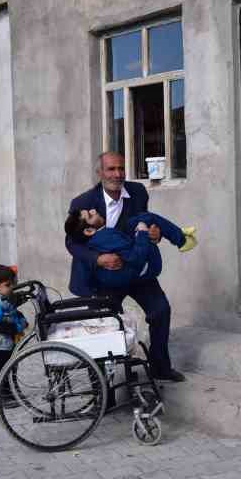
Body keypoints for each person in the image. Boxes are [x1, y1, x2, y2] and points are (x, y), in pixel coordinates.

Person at [66, 151, 186, 382]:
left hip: (135, 267)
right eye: (111, 169)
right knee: (102, 327)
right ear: (100, 172)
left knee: (160, 311)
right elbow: (72, 242)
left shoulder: (138, 192)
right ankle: (100, 386)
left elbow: (144, 224)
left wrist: (155, 234)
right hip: (104, 275)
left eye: (121, 168)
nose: (117, 174)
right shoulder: (83, 203)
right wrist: (99, 259)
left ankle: (160, 367)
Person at [64, 207, 196, 291]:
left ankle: (179, 234)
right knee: (144, 221)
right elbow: (137, 258)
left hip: (127, 249)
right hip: (148, 266)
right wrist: (143, 232)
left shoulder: (100, 235)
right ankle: (182, 240)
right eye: (90, 215)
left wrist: (154, 232)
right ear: (89, 230)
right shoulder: (105, 237)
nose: (93, 210)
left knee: (146, 218)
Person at [0, 264, 27, 403]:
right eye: (8, 285)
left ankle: (10, 391)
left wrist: (21, 319)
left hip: (9, 342)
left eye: (13, 284)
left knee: (10, 367)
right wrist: (15, 328)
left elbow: (12, 311)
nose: (12, 288)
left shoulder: (6, 297)